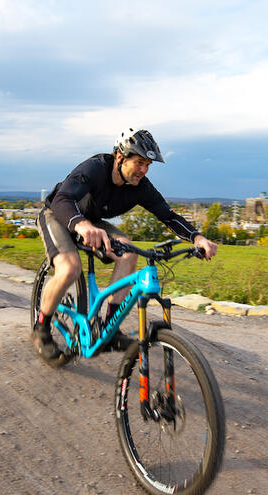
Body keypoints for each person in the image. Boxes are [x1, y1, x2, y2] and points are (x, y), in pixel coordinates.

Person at [34, 128, 218, 365]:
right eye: (139, 162)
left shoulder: (140, 186)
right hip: (58, 215)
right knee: (69, 268)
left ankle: (109, 329)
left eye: (148, 164)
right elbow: (62, 199)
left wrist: (196, 237)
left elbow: (167, 215)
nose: (144, 170)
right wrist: (81, 225)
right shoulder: (95, 168)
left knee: (129, 251)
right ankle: (41, 328)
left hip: (91, 222)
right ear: (120, 157)